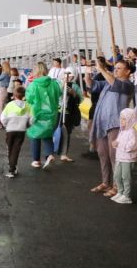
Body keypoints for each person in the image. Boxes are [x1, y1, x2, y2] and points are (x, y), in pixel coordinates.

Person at [86, 57, 135, 198]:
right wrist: (88, 72)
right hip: (101, 123)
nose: (116, 70)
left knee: (115, 156)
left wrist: (102, 69)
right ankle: (105, 182)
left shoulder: (128, 85)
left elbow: (114, 82)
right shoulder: (108, 82)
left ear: (128, 72)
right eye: (115, 68)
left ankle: (117, 186)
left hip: (115, 124)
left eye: (119, 68)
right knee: (102, 154)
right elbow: (91, 84)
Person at [25, 62, 61, 169]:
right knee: (47, 135)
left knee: (34, 135)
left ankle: (36, 161)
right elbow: (59, 94)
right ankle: (49, 154)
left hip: (37, 114)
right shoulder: (54, 83)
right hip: (51, 114)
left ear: (36, 71)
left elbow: (29, 99)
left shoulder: (33, 85)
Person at [0, 86, 32, 178]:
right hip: (21, 130)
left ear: (14, 95)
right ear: (24, 95)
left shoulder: (10, 105)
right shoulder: (28, 106)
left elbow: (3, 118)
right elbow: (32, 119)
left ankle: (11, 167)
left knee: (10, 148)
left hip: (10, 130)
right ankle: (13, 167)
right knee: (16, 149)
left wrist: (6, 125)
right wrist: (28, 125)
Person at [110, 108, 136, 204]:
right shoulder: (122, 131)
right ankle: (120, 192)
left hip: (128, 159)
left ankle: (126, 195)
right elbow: (118, 141)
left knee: (126, 177)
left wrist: (120, 145)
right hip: (120, 158)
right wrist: (115, 142)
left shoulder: (132, 132)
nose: (121, 121)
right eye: (121, 118)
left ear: (130, 120)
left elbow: (133, 145)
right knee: (117, 176)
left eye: (124, 119)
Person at [58, 68, 82, 163]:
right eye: (67, 75)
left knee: (66, 133)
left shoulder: (75, 86)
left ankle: (64, 154)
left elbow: (80, 100)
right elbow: (55, 95)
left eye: (70, 76)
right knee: (54, 132)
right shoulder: (58, 83)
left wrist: (74, 94)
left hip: (68, 113)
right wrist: (62, 86)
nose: (68, 77)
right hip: (57, 112)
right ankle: (50, 153)